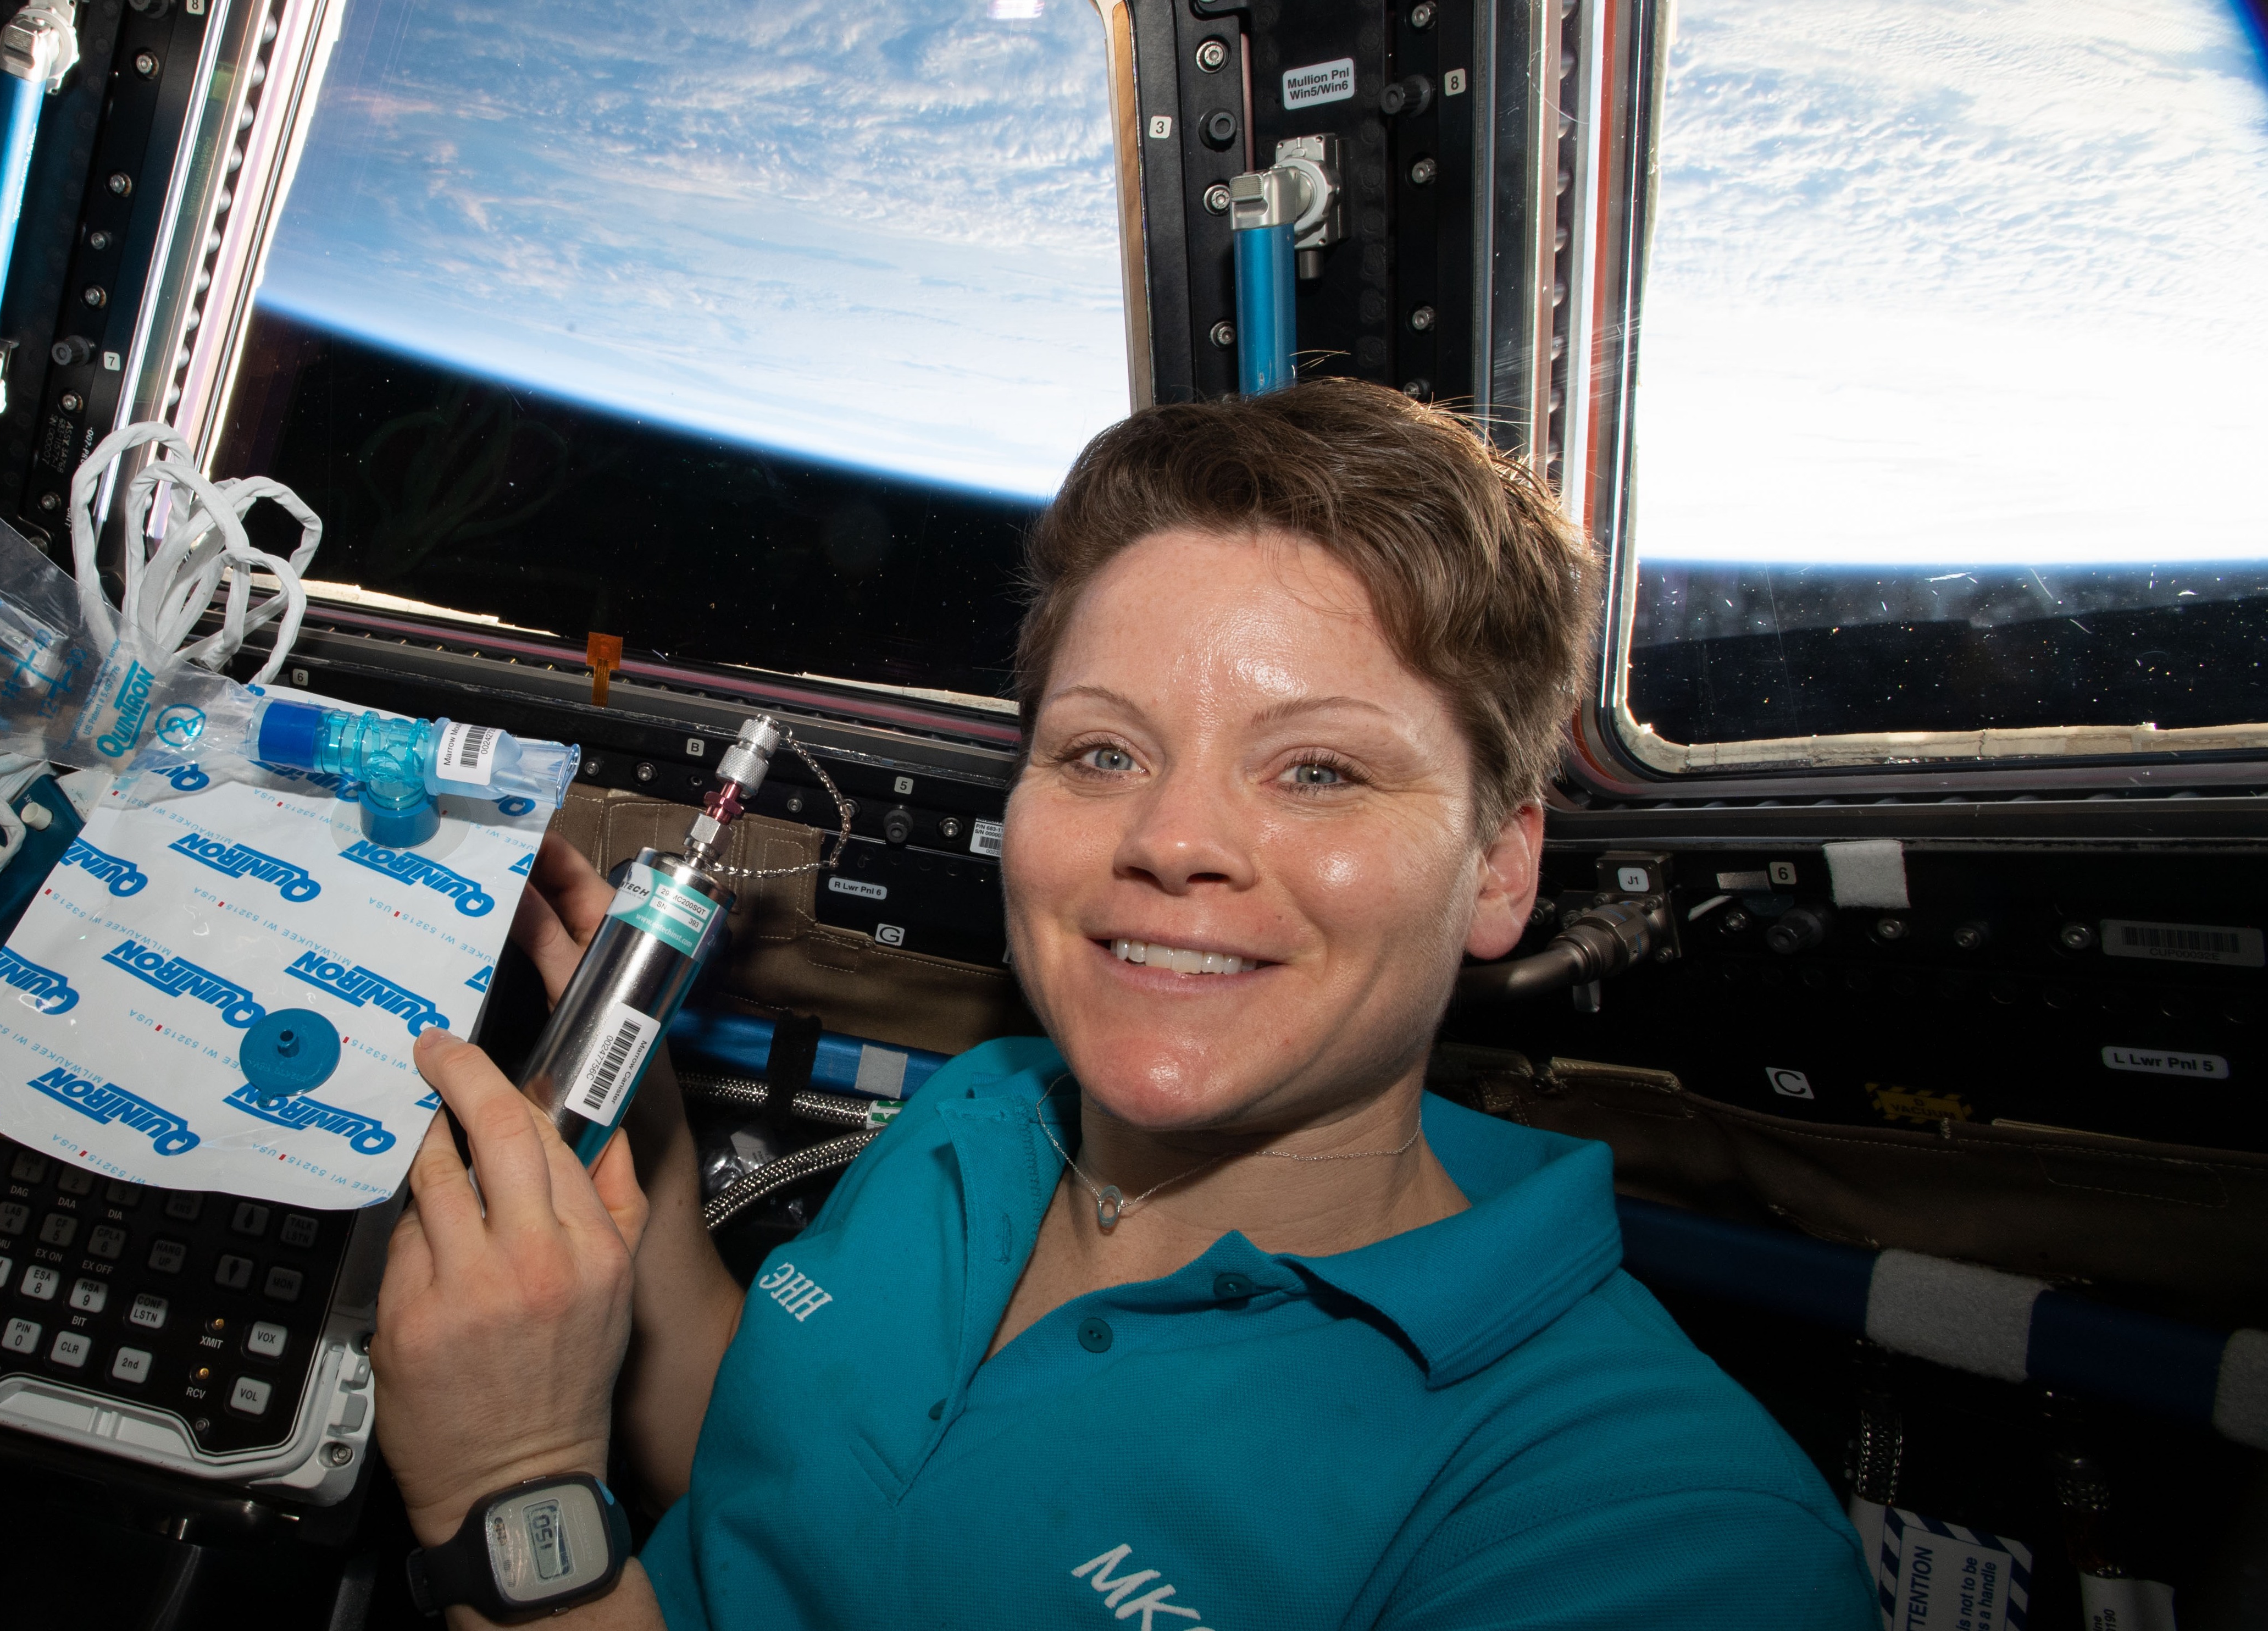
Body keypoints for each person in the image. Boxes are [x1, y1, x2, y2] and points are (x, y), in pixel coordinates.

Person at [372, 380, 1875, 1628]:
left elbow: (550, 1501)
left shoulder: (1660, 1535)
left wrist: (516, 1500)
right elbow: (760, 1472)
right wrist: (637, 1151)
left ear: (1497, 867)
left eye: (1316, 770)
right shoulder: (984, 1114)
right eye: (1101, 753)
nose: (1169, 841)